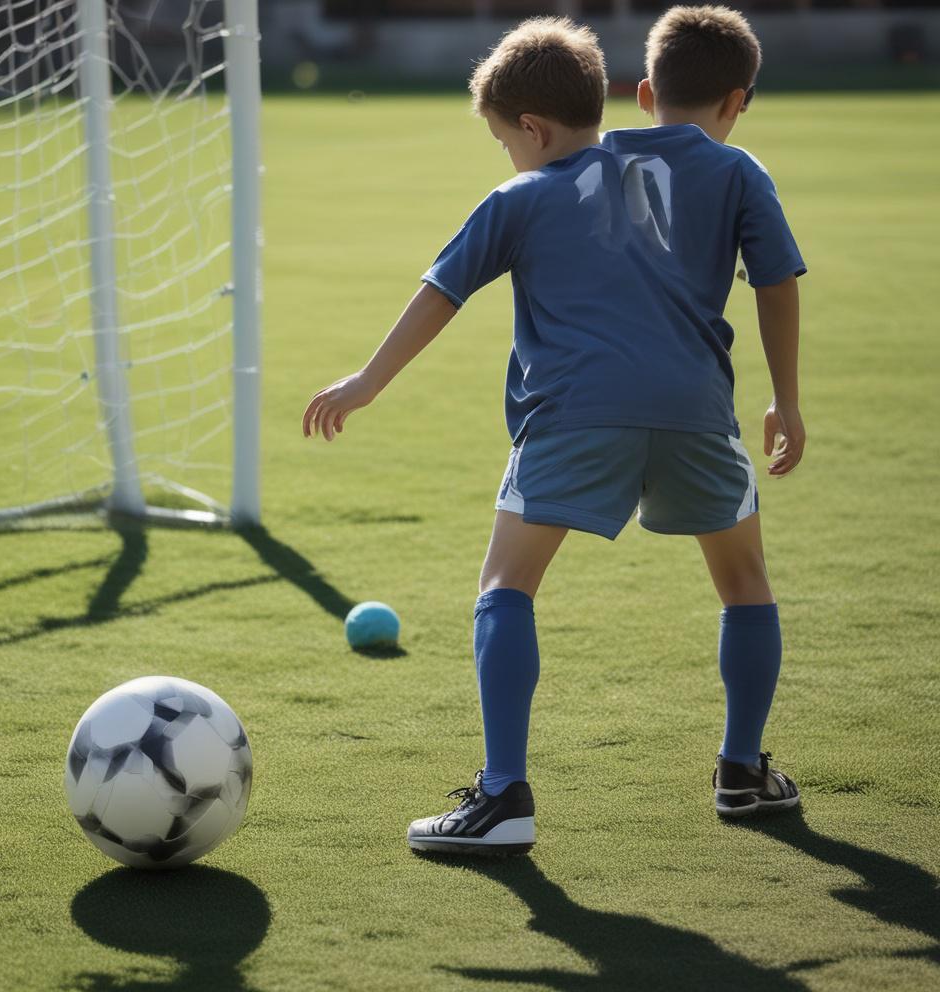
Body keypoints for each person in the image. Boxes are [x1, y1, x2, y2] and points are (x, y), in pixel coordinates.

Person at [301, 8, 805, 855]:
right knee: (745, 581)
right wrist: (786, 400)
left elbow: (442, 289)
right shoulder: (729, 169)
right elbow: (777, 279)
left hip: (574, 412)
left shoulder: (528, 190)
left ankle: (503, 797)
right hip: (696, 412)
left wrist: (366, 381)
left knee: (507, 584)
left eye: (504, 139)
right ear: (731, 99)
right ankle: (743, 771)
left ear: (532, 128)